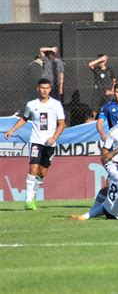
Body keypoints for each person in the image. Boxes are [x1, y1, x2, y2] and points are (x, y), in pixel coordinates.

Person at [4, 78, 65, 210]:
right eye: (42, 88)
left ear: (50, 89)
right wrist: (12, 130)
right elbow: (24, 118)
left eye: (47, 88)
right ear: (38, 88)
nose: (44, 90)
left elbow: (62, 124)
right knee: (33, 169)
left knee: (42, 173)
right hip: (36, 141)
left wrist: (54, 137)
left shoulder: (56, 105)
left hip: (50, 144)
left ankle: (33, 193)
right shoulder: (31, 104)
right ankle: (28, 200)